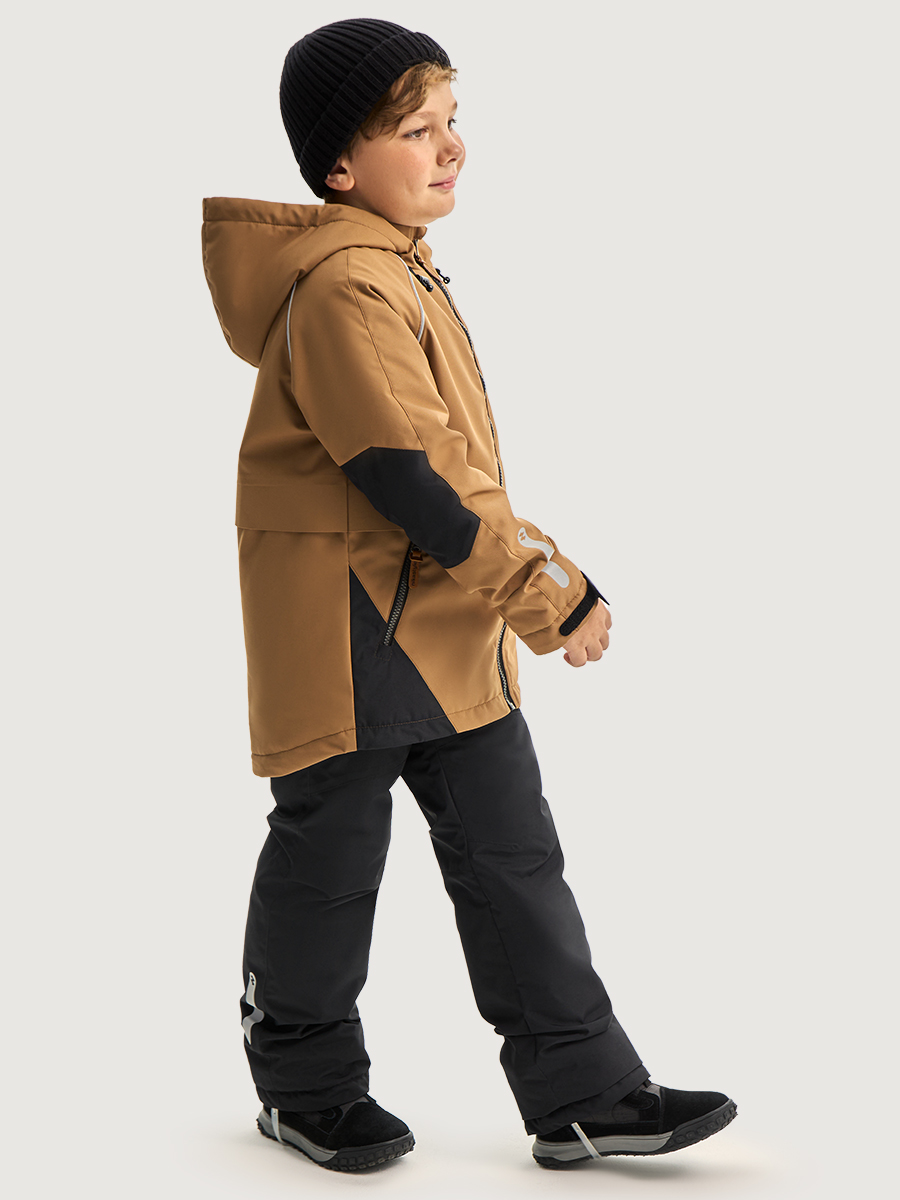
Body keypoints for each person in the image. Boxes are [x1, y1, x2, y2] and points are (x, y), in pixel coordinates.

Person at [201, 17, 736, 1174]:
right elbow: (417, 477)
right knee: (331, 860)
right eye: (415, 129)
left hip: (442, 618)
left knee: (512, 856)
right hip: (350, 626)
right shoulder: (347, 287)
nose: (450, 147)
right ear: (339, 166)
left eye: (454, 120)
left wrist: (510, 595)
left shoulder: (400, 265)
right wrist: (552, 592)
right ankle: (304, 1085)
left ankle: (584, 1091)